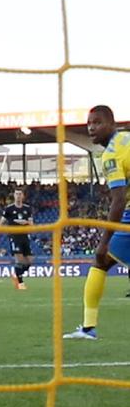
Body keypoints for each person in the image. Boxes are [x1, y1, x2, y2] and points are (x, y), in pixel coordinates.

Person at [65, 105, 130, 340]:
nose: (91, 127)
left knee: (100, 262)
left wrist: (104, 241)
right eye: (89, 123)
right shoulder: (126, 138)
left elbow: (119, 200)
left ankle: (88, 328)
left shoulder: (111, 154)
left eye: (97, 122)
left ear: (112, 123)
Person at [0, 188, 34, 290]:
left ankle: (16, 274)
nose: (18, 196)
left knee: (29, 261)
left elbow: (31, 224)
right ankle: (20, 283)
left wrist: (25, 222)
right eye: (16, 194)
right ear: (14, 195)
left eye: (20, 194)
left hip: (25, 236)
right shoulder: (9, 209)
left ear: (23, 196)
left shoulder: (27, 209)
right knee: (20, 260)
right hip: (14, 236)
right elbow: (2, 222)